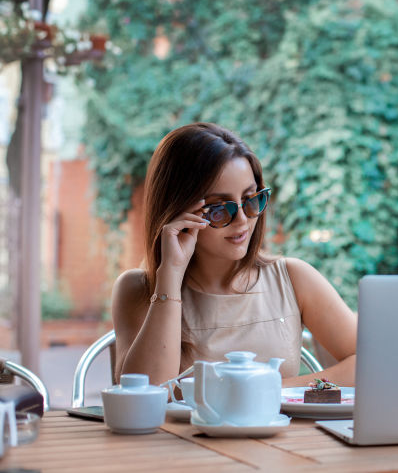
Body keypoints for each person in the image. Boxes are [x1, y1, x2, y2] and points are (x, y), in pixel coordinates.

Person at [111, 122, 357, 387]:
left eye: (251, 200)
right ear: (177, 211)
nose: (242, 220)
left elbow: (368, 363)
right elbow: (143, 392)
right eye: (219, 209)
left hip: (277, 428)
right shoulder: (137, 288)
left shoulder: (294, 278)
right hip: (178, 431)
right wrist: (170, 273)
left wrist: (263, 388)